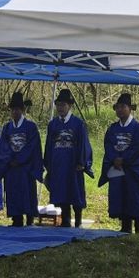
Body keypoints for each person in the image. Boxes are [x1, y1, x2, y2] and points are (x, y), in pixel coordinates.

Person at [98, 93, 139, 234]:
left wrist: (124, 159)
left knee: (135, 195)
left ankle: (138, 227)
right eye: (117, 107)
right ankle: (125, 226)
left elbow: (138, 147)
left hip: (133, 167)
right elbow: (108, 145)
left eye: (123, 107)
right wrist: (115, 158)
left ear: (130, 108)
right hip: (117, 167)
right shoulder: (113, 128)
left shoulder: (138, 128)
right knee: (120, 194)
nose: (119, 110)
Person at [44, 89, 93, 228]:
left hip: (73, 164)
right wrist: (48, 163)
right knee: (61, 193)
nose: (60, 108)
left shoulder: (78, 124)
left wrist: (82, 162)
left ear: (70, 106)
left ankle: (78, 221)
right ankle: (65, 220)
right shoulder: (53, 124)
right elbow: (49, 145)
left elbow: (84, 143)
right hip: (58, 164)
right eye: (58, 105)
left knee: (75, 192)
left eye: (63, 105)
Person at [0, 91, 43, 227]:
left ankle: (29, 219)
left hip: (26, 167)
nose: (15, 112)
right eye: (12, 110)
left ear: (23, 110)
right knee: (13, 192)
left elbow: (33, 146)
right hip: (11, 167)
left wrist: (20, 159)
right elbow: (3, 146)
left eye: (17, 109)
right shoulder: (7, 127)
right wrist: (10, 159)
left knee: (27, 192)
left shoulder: (31, 127)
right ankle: (16, 219)